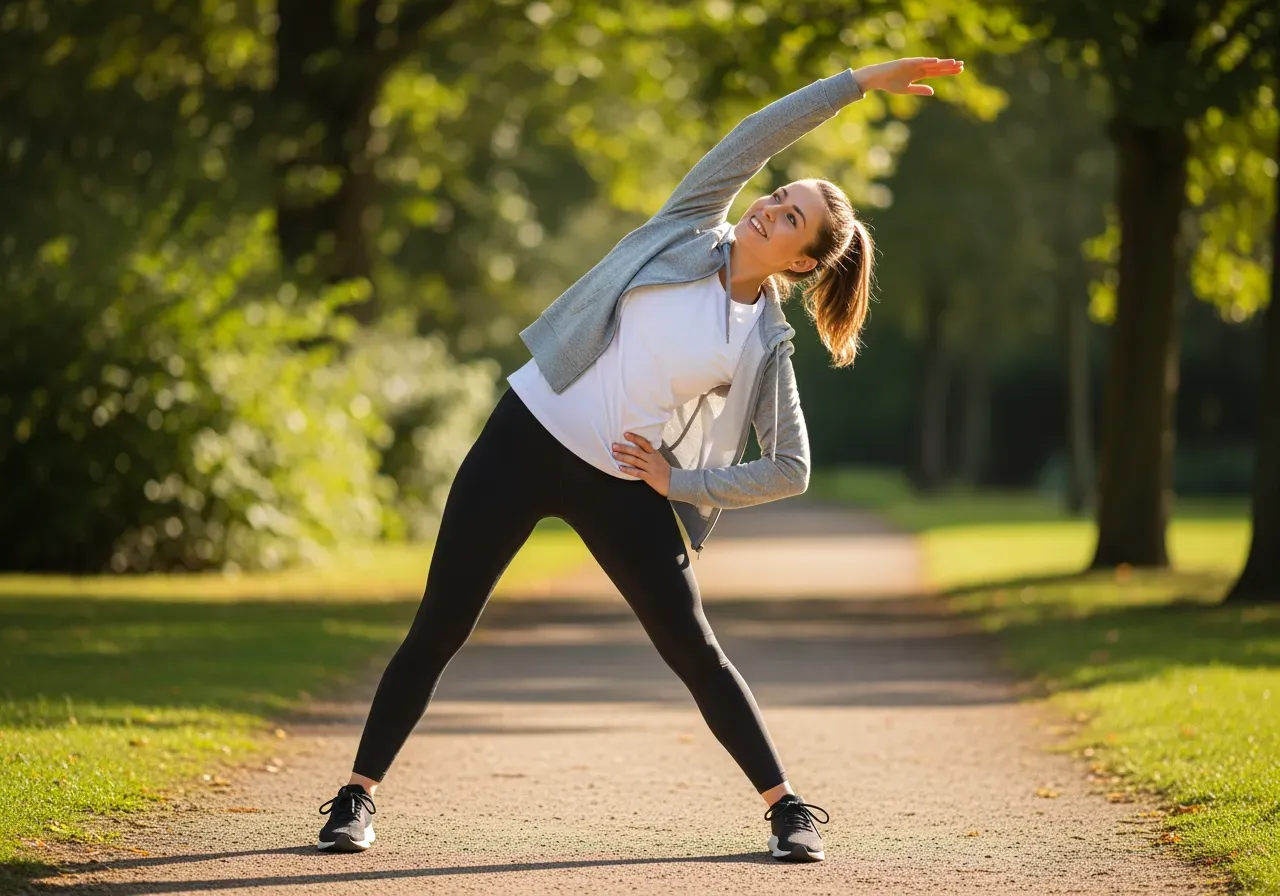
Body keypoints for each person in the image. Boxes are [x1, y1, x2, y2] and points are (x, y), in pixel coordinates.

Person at [316, 55, 964, 862]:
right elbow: (753, 138)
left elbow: (792, 466)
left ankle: (787, 809)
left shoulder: (763, 341)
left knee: (693, 649)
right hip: (524, 435)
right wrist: (859, 83)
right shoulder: (691, 226)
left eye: (791, 218)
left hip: (621, 480)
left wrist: (680, 483)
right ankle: (356, 799)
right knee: (440, 626)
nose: (770, 207)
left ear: (803, 262)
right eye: (779, 196)